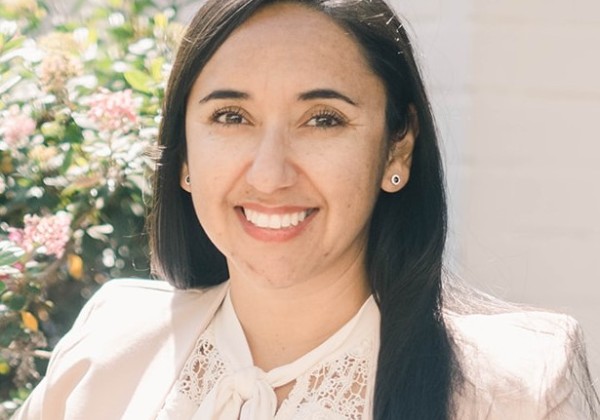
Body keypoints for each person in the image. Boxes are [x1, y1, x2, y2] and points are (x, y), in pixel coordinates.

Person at [12, 0, 600, 419]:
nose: (270, 173)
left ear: (398, 146)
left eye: (323, 120)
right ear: (184, 155)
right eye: (230, 117)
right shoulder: (110, 343)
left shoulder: (519, 386)